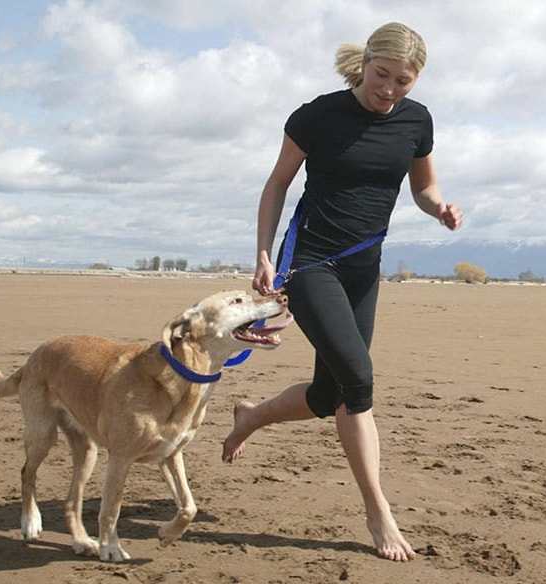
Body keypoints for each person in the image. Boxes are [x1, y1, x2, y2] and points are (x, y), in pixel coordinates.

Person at [222, 22, 463, 562]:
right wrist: (263, 253)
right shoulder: (317, 115)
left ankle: (252, 416)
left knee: (327, 394)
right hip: (310, 265)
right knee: (358, 381)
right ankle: (378, 510)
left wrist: (440, 207)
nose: (390, 90)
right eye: (382, 76)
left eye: (403, 81)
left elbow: (423, 187)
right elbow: (277, 184)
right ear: (365, 66)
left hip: (363, 268)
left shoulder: (416, 121)